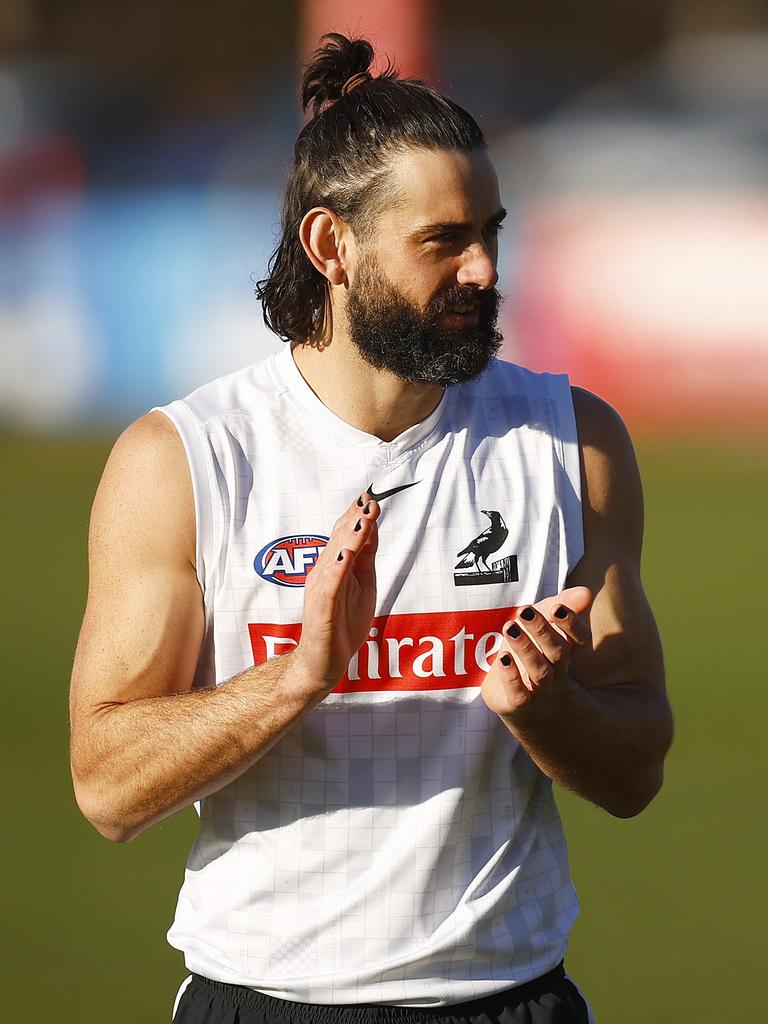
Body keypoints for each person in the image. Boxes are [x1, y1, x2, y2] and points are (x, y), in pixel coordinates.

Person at [69, 33, 673, 1024]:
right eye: (442, 242)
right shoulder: (182, 460)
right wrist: (297, 676)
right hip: (265, 999)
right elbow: (106, 788)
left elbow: (638, 766)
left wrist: (547, 712)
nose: (483, 269)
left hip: (510, 1000)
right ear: (331, 246)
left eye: (493, 231)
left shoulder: (573, 441)